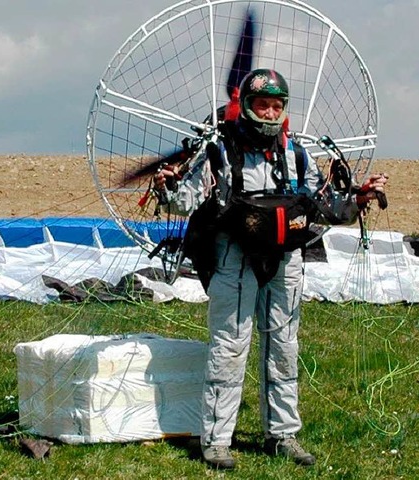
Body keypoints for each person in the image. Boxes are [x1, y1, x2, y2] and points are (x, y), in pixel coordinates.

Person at [153, 68, 388, 469]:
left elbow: (329, 205)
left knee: (283, 348)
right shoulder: (220, 153)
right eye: (262, 104)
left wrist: (360, 197)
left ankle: (282, 435)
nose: (270, 112)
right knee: (230, 347)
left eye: (277, 105)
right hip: (235, 259)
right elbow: (183, 201)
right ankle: (216, 441)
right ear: (245, 107)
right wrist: (167, 186)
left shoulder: (298, 157)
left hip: (286, 262)